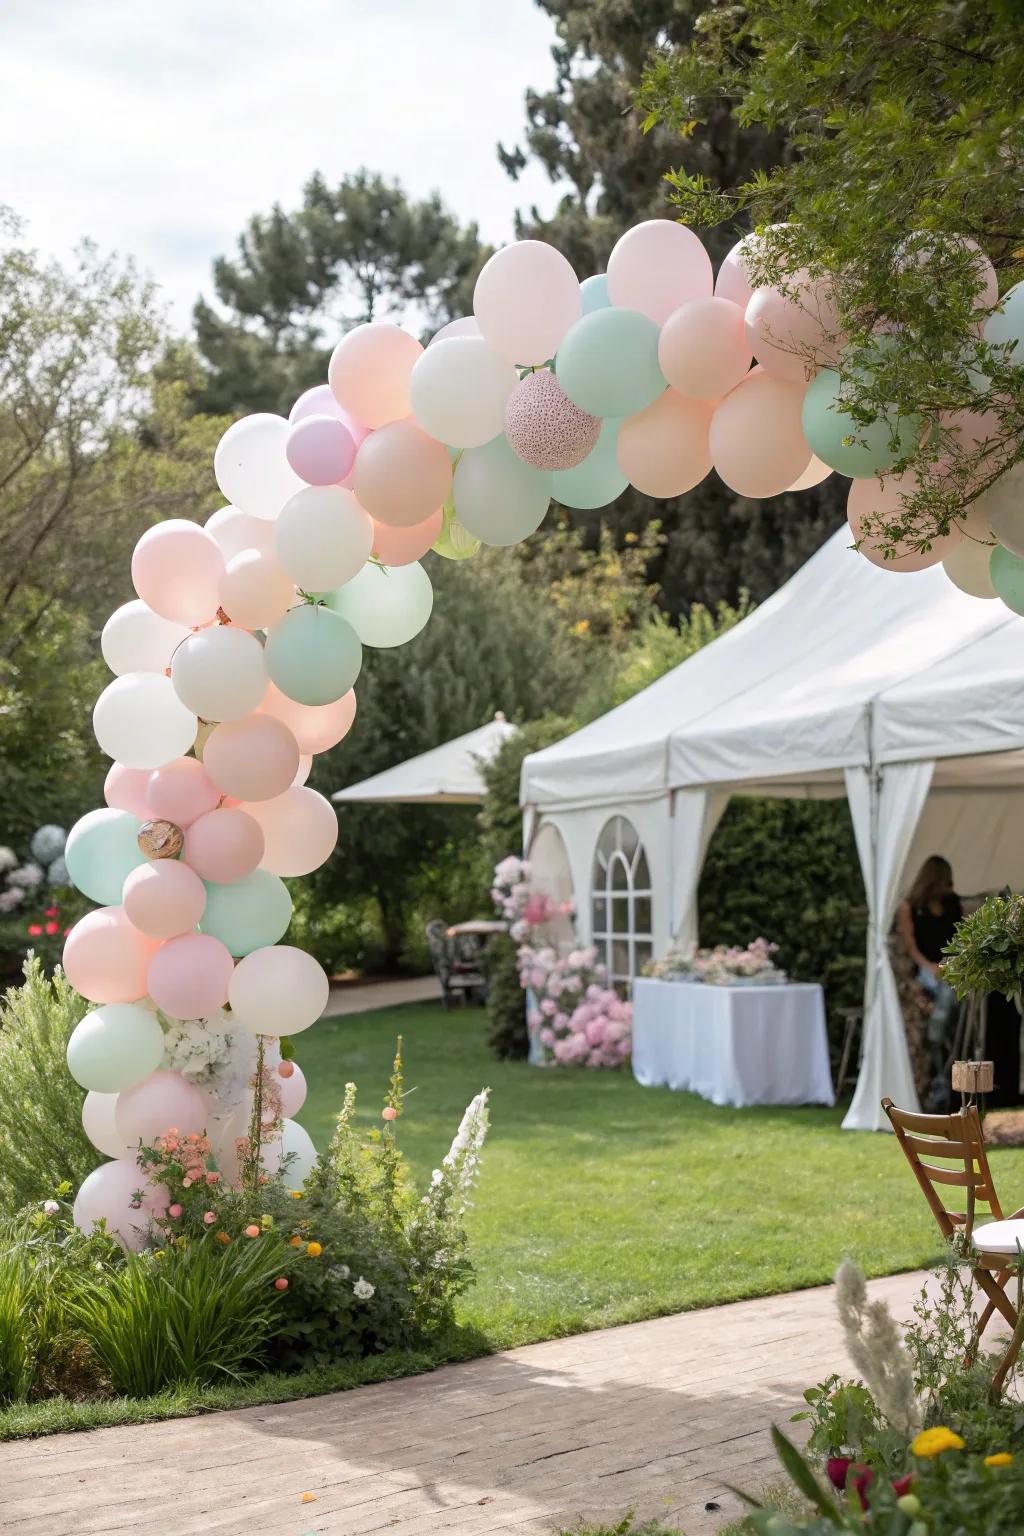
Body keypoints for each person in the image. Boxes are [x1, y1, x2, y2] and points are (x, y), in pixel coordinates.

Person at [896, 856, 963, 1096]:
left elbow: (960, 938)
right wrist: (931, 967)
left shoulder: (952, 904)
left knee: (953, 988)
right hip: (927, 967)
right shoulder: (911, 908)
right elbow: (911, 946)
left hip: (952, 965)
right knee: (947, 991)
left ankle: (945, 1035)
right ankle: (939, 1044)